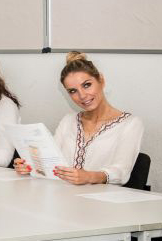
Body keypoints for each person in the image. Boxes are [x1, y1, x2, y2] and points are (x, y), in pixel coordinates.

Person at [14, 52, 143, 184]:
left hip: (102, 201)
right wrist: (30, 165)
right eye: (72, 91)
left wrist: (89, 176)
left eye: (87, 85)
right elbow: (51, 160)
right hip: (64, 196)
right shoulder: (68, 121)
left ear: (101, 80)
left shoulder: (130, 124)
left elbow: (121, 171)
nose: (82, 95)